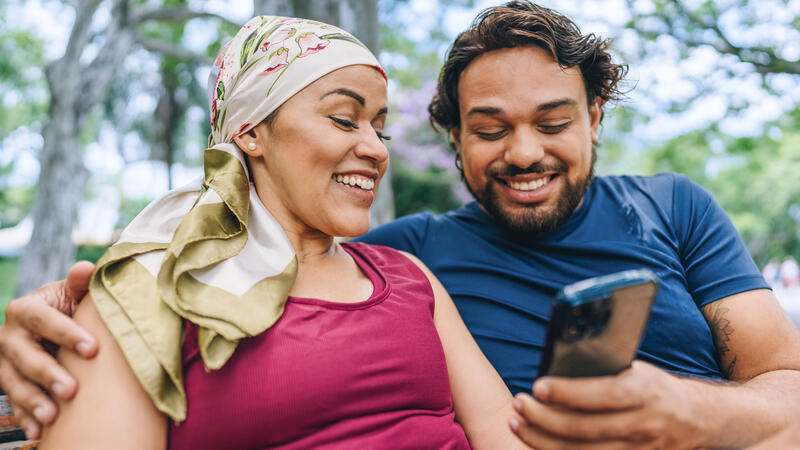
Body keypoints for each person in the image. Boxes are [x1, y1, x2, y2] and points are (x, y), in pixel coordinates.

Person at [3, 1, 800, 448]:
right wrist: (72, 306)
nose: (525, 152)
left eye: (553, 121)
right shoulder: (415, 256)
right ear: (455, 142)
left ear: (594, 116)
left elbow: (788, 386)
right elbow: (254, 264)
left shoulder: (673, 206)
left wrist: (690, 413)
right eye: (491, 130)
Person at [21, 15, 531, 449]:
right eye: (343, 118)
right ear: (249, 129)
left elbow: (506, 439)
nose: (377, 149)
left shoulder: (410, 277)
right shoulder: (151, 290)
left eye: (381, 126)